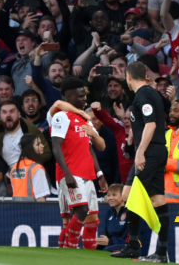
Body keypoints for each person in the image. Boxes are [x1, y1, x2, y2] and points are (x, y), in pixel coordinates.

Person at [112, 61, 169, 262]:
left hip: (150, 151)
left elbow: (151, 124)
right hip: (157, 150)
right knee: (157, 200)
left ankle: (133, 246)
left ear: (128, 77)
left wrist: (140, 152)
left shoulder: (144, 95)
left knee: (129, 195)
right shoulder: (150, 93)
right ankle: (161, 253)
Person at [50, 77, 107, 250]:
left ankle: (89, 257)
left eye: (85, 96)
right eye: (80, 96)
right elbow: (56, 146)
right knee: (80, 210)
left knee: (93, 220)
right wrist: (66, 173)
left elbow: (97, 148)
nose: (84, 99)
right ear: (69, 96)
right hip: (71, 173)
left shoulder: (85, 120)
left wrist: (100, 174)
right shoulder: (60, 116)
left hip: (88, 174)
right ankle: (70, 251)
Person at [9, 133, 50, 201]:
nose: (42, 146)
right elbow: (40, 197)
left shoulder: (14, 168)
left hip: (16, 209)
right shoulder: (36, 168)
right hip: (33, 209)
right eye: (38, 144)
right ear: (30, 148)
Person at [96, 183, 129, 252]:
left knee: (106, 250)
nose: (110, 198)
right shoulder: (109, 213)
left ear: (123, 196)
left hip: (128, 246)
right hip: (113, 244)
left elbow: (129, 240)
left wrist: (110, 242)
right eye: (108, 195)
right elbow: (107, 235)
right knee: (97, 248)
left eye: (114, 195)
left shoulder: (130, 213)